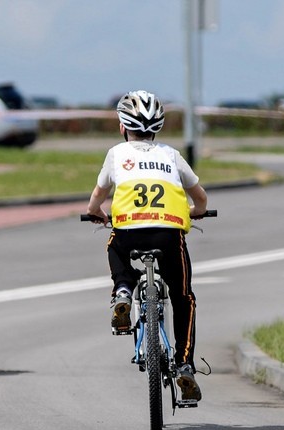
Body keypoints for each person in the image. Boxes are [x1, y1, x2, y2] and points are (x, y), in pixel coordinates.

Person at [86, 90, 209, 401]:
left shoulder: (116, 154)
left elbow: (96, 199)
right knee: (183, 297)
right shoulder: (171, 155)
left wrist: (96, 214)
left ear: (122, 126)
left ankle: (123, 292)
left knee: (115, 248)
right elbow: (201, 199)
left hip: (128, 230)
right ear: (158, 127)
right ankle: (184, 366)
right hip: (167, 234)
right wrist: (195, 214)